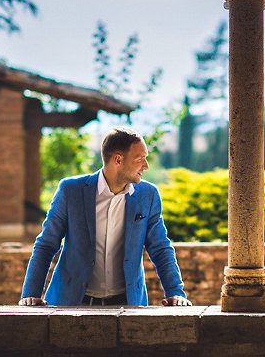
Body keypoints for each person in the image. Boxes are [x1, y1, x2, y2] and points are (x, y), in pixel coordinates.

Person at [19, 126, 191, 307]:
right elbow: (47, 244)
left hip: (128, 304)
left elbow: (160, 248)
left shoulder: (148, 195)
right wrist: (31, 294)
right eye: (140, 159)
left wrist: (175, 292)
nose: (146, 166)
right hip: (71, 303)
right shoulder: (71, 190)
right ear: (118, 159)